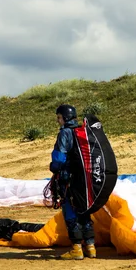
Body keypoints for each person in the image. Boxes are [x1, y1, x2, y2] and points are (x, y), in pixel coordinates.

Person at [49, 104, 97, 260]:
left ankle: (77, 249)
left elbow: (59, 158)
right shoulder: (81, 131)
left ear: (65, 118)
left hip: (68, 179)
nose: (58, 121)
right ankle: (91, 247)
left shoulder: (65, 133)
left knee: (70, 211)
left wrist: (53, 167)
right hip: (84, 179)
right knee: (84, 210)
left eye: (59, 118)